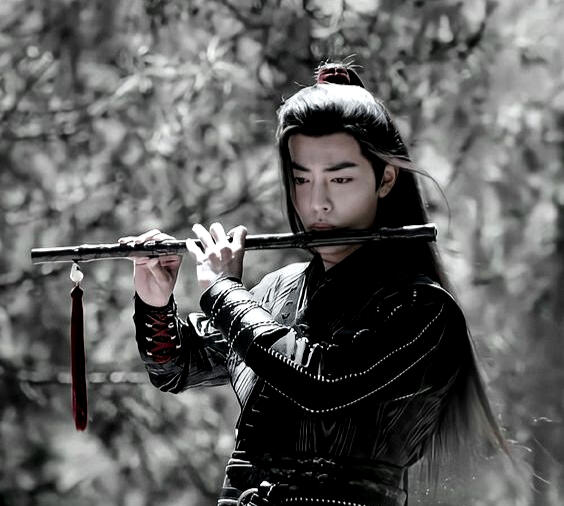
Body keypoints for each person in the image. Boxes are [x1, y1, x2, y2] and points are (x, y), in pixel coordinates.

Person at [120, 63, 510, 506]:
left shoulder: (422, 309)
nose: (317, 202)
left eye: (340, 179)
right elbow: (175, 368)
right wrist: (155, 299)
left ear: (385, 178)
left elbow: (323, 384)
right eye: (301, 179)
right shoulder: (278, 290)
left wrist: (223, 289)